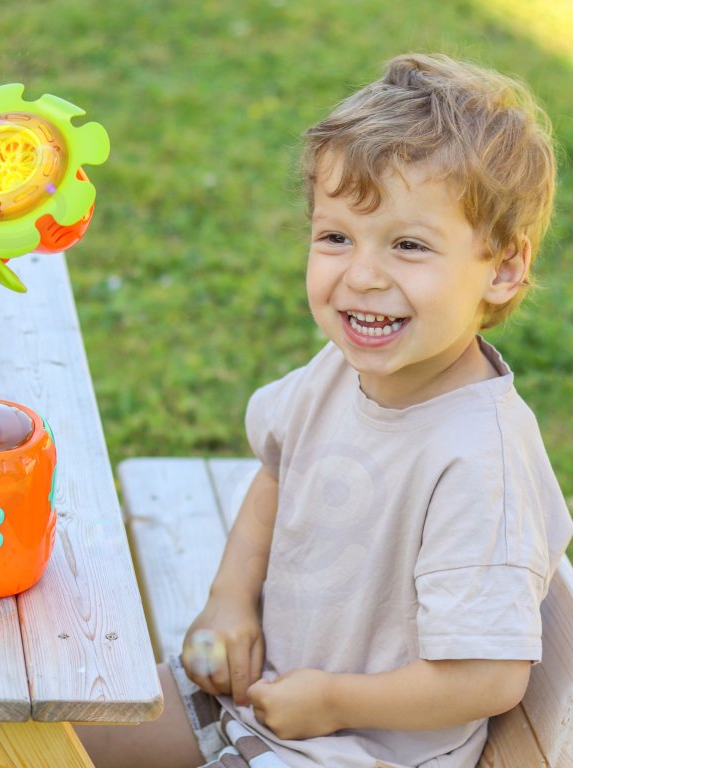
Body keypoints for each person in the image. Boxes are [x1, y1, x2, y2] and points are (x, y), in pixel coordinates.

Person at [76, 52, 573, 768]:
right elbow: (277, 475)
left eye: (409, 245)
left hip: (360, 748)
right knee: (61, 733)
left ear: (502, 268)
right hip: (261, 695)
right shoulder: (339, 370)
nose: (362, 276)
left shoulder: (480, 460)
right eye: (337, 236)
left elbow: (490, 678)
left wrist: (336, 701)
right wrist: (228, 600)